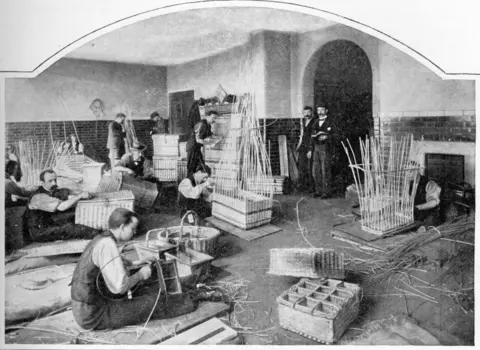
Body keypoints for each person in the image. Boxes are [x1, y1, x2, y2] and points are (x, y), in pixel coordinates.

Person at [71, 208, 196, 330]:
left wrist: (136, 262)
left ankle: (187, 295)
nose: (135, 232)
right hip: (93, 315)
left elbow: (109, 264)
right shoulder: (108, 245)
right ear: (121, 227)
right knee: (152, 302)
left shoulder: (101, 239)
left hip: (85, 307)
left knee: (142, 294)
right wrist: (140, 275)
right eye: (132, 228)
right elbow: (119, 287)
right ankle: (193, 299)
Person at [22, 169, 100, 243]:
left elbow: (70, 193)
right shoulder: (38, 197)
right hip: (41, 232)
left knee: (74, 215)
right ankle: (100, 236)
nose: (54, 184)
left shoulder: (53, 191)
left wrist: (84, 194)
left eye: (55, 180)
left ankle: (98, 233)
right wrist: (80, 195)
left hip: (51, 225)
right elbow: (61, 207)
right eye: (50, 181)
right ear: (42, 183)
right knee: (72, 228)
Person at [308, 103, 335, 198]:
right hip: (316, 148)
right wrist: (310, 150)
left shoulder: (331, 121)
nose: (320, 112)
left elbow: (336, 134)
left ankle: (326, 192)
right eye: (318, 110)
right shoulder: (315, 122)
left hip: (325, 148)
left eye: (322, 110)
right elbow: (312, 136)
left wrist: (327, 136)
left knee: (325, 170)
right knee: (316, 170)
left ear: (326, 111)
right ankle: (318, 191)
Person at [186, 111, 218, 176]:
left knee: (201, 166)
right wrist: (210, 143)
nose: (214, 120)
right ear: (207, 117)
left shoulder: (208, 125)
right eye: (213, 118)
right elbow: (198, 140)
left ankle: (197, 183)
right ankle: (189, 183)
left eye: (215, 118)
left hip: (197, 148)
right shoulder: (202, 124)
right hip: (192, 148)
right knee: (192, 168)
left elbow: (210, 135)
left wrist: (220, 137)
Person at [295, 106, 317, 193]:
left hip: (310, 147)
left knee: (310, 168)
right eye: (305, 113)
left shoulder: (314, 122)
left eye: (308, 112)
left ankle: (312, 188)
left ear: (311, 113)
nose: (307, 114)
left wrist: (310, 150)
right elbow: (301, 135)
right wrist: (298, 146)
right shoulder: (303, 122)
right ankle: (304, 187)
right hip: (302, 148)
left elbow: (313, 137)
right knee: (301, 167)